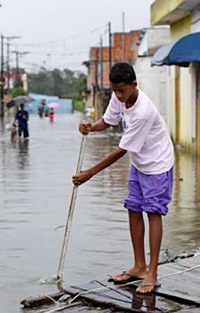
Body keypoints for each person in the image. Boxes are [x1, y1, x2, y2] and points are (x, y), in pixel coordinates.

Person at [73, 62, 174, 294]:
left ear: (134, 85)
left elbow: (121, 150)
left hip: (157, 164)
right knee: (133, 208)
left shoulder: (143, 112)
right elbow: (108, 121)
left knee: (154, 212)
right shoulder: (118, 97)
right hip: (140, 162)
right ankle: (139, 266)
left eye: (122, 91)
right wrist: (91, 127)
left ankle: (152, 273)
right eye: (115, 90)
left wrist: (90, 173)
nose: (118, 95)